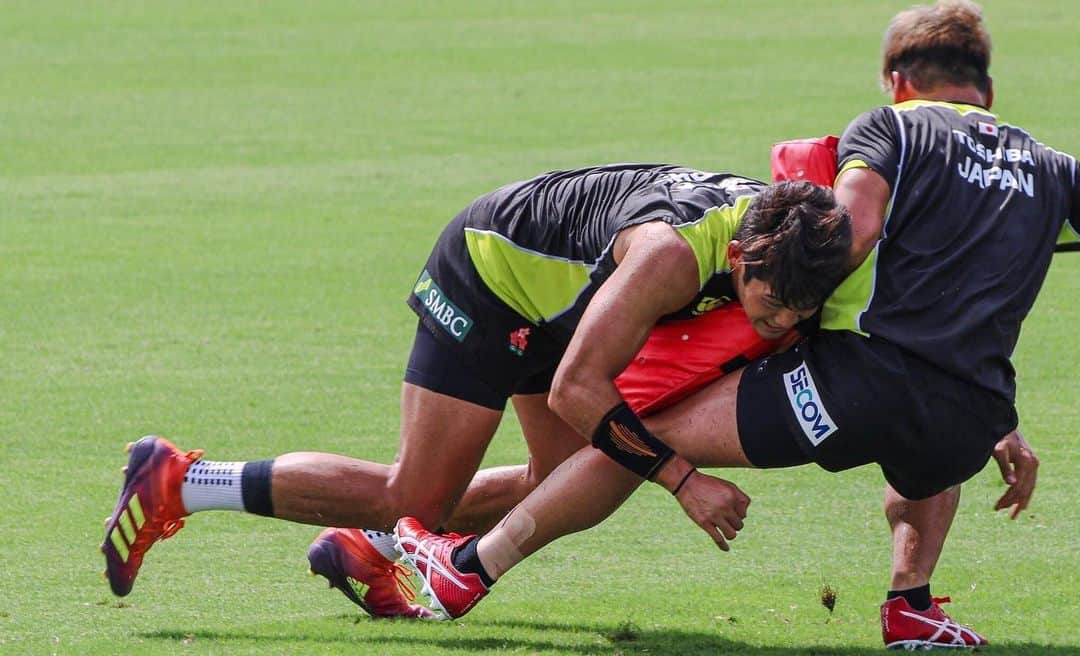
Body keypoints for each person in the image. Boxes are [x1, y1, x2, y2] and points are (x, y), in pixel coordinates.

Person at [393, 1, 1065, 649]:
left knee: (640, 432)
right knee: (931, 443)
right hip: (975, 414)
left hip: (857, 386)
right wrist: (999, 416)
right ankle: (911, 604)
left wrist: (787, 300)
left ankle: (469, 569)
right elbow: (974, 286)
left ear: (897, 82)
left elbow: (850, 234)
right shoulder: (1051, 169)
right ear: (990, 89)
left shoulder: (893, 129)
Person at [101, 165, 852, 614]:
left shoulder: (791, 230)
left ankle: (370, 552)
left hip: (556, 302)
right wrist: (684, 480)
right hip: (490, 276)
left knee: (560, 485)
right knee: (415, 494)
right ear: (741, 254)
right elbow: (578, 394)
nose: (781, 320)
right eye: (770, 300)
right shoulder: (670, 258)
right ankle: (181, 480)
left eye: (799, 310)